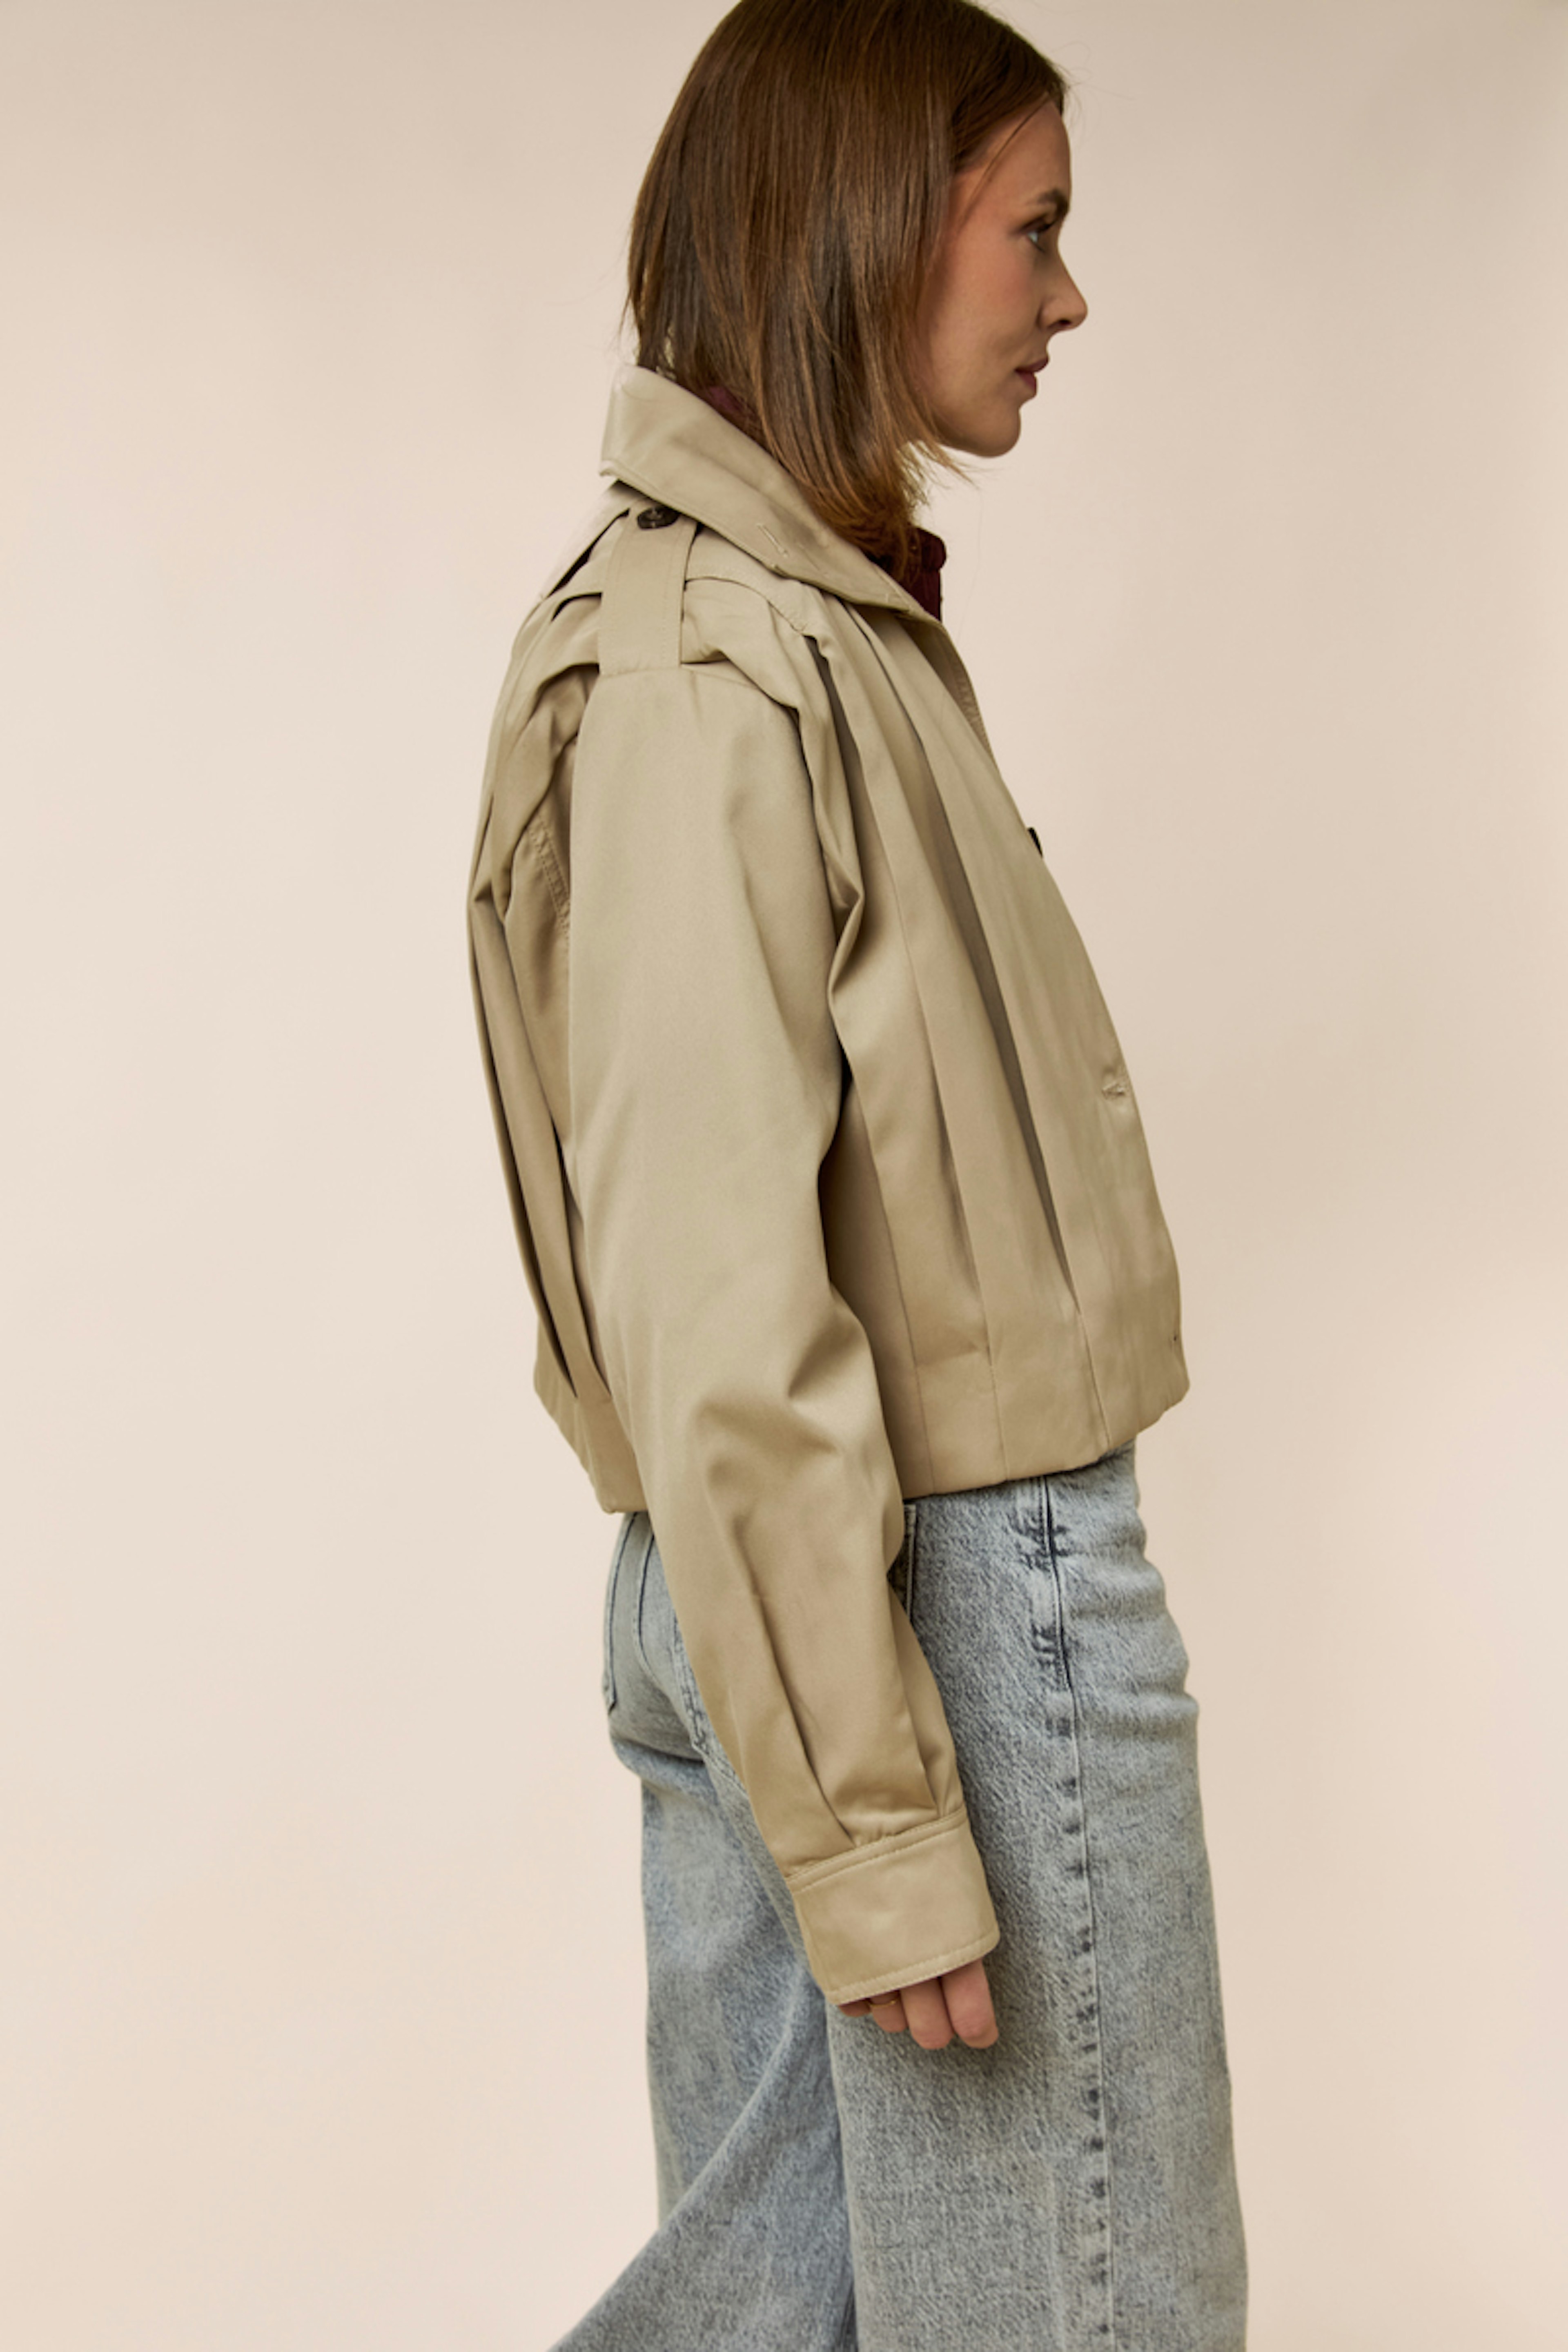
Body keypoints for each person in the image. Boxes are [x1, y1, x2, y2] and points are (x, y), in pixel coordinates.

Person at [466, 1, 1247, 2343]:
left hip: (814, 1598)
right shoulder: (719, 664)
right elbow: (720, 1292)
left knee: (774, 2318)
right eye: (1035, 230)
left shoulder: (787, 624)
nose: (1069, 296)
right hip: (937, 1608)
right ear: (870, 232)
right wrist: (888, 1820)